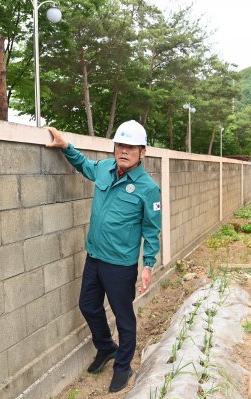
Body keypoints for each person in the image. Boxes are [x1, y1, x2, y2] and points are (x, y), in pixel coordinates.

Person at [46, 120, 162, 392]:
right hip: (94, 256)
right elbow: (85, 165)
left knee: (124, 318)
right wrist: (66, 147)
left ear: (142, 152)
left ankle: (123, 366)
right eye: (120, 145)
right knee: (87, 305)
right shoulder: (105, 169)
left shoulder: (148, 188)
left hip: (120, 264)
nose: (124, 151)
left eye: (131, 147)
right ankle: (106, 347)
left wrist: (148, 265)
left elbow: (152, 230)